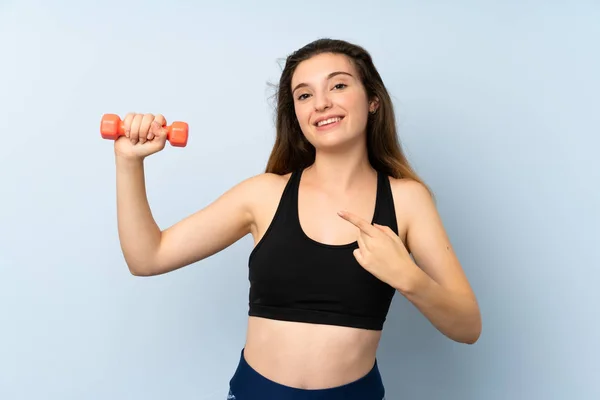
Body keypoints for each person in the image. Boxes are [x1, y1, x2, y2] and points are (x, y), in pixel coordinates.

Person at [112, 38, 482, 400]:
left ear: (373, 101)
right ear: (296, 115)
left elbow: (468, 326)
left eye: (338, 85)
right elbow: (148, 258)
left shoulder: (407, 201)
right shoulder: (263, 194)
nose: (321, 103)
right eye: (304, 95)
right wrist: (129, 162)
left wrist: (408, 277)